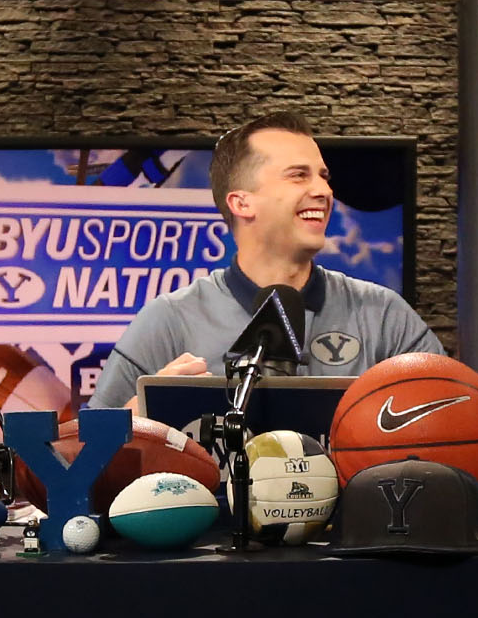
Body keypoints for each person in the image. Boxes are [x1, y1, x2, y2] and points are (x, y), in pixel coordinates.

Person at [88, 113, 440, 409]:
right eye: (299, 175)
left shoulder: (383, 315)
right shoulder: (169, 321)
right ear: (242, 203)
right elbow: (82, 456)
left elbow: (451, 418)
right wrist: (137, 418)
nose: (324, 190)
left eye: (323, 175)